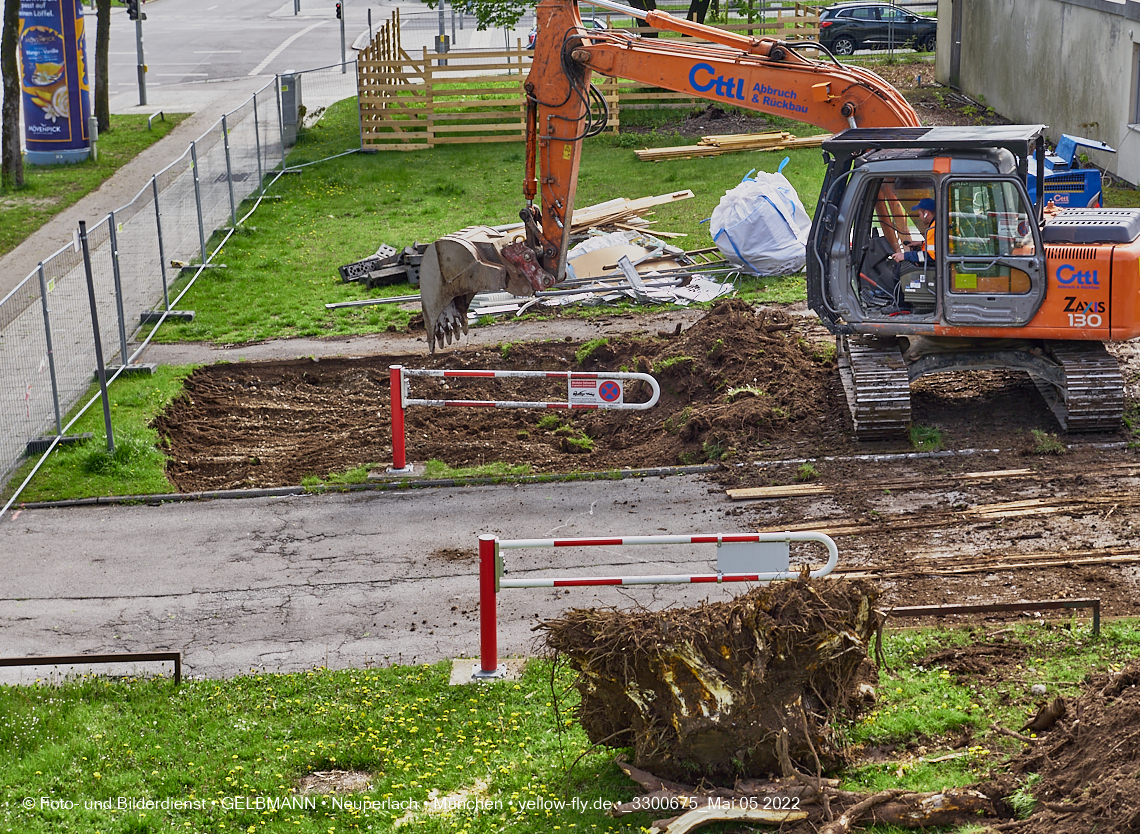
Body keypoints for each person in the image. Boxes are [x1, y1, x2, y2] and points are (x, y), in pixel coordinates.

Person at [891, 197, 936, 265]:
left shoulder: (933, 229)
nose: (919, 217)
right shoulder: (936, 225)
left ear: (926, 213)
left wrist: (904, 256)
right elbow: (935, 246)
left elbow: (929, 256)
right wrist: (922, 243)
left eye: (919, 214)